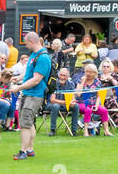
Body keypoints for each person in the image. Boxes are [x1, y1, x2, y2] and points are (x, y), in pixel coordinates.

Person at [13, 31, 52, 161]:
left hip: (35, 95)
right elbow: (29, 73)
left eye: (26, 43)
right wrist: (17, 78)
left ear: (32, 41)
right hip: (28, 93)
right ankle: (30, 149)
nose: (26, 46)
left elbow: (36, 79)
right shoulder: (34, 55)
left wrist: (18, 87)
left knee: (24, 123)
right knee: (29, 123)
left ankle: (22, 151)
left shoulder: (43, 57)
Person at [46, 67, 80, 135]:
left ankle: (74, 130)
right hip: (52, 105)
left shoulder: (71, 84)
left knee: (76, 106)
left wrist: (72, 102)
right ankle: (53, 130)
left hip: (65, 105)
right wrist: (66, 102)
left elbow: (72, 97)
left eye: (64, 75)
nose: (62, 77)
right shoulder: (54, 83)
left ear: (68, 76)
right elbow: (52, 100)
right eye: (61, 75)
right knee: (55, 106)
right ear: (58, 75)